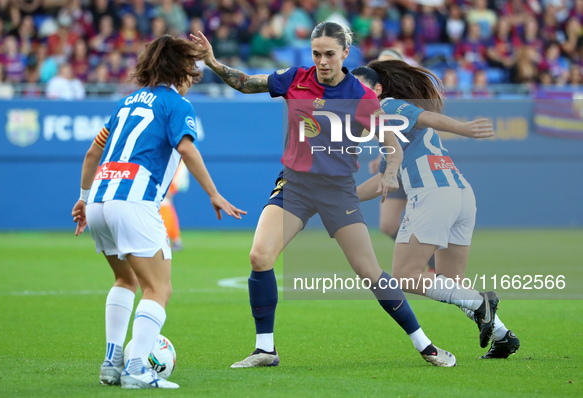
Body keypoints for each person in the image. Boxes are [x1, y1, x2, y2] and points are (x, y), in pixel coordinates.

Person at [191, 22, 457, 368]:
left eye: (329, 54)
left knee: (370, 271)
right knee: (259, 257)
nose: (322, 61)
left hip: (337, 192)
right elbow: (244, 83)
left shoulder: (360, 96)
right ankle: (265, 350)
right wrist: (212, 62)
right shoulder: (296, 78)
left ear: (345, 54)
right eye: (317, 53)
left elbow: (391, 144)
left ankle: (426, 346)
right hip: (295, 186)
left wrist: (391, 172)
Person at [71, 35, 246, 389]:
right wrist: (213, 193)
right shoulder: (176, 104)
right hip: (134, 200)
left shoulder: (125, 103)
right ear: (181, 69)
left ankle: (111, 362)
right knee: (158, 289)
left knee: (125, 280)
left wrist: (83, 198)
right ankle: (136, 370)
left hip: (101, 200)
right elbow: (187, 149)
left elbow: (93, 153)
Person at [356, 60, 520, 359]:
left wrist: (463, 128)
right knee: (451, 283)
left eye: (358, 87)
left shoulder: (389, 107)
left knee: (405, 275)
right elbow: (383, 178)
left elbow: (426, 117)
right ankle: (502, 335)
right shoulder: (387, 126)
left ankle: (482, 301)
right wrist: (346, 198)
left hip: (432, 194)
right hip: (460, 194)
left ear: (378, 89)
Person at [361, 51, 436, 273]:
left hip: (416, 168)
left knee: (422, 224)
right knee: (387, 225)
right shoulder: (376, 100)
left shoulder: (404, 100)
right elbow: (389, 137)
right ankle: (431, 263)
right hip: (395, 170)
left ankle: (433, 265)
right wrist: (382, 158)